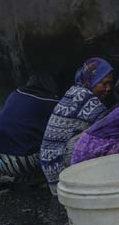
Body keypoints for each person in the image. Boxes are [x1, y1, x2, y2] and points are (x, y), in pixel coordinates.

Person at [40, 57, 114, 195]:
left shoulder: (74, 91)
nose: (108, 88)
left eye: (111, 84)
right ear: (90, 80)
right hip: (60, 166)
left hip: (51, 165)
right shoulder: (84, 97)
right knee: (102, 137)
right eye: (103, 84)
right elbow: (109, 123)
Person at [0, 73, 59, 189]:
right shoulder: (49, 102)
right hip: (17, 164)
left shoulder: (15, 94)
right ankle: (37, 178)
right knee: (58, 141)